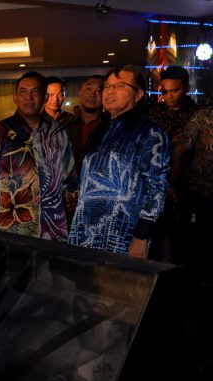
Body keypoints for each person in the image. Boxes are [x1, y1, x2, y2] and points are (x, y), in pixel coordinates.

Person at [68, 66, 171, 258]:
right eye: (107, 86)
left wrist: (142, 236)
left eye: (120, 85)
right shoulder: (100, 130)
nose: (110, 91)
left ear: (138, 94)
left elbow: (157, 188)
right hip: (85, 229)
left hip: (123, 234)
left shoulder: (150, 132)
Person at [0, 71, 77, 241]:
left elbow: (70, 179)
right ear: (15, 98)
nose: (28, 97)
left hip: (53, 229)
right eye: (23, 92)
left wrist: (72, 216)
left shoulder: (58, 132)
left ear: (45, 97)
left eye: (35, 92)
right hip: (11, 230)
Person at [145, 66, 198, 261]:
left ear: (186, 88)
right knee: (153, 239)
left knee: (182, 241)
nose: (169, 96)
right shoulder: (153, 113)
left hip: (186, 186)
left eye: (174, 91)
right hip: (154, 184)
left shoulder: (197, 114)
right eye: (165, 91)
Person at [172, 106, 213, 268]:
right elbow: (181, 148)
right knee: (195, 238)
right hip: (200, 191)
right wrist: (172, 178)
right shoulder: (203, 116)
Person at [68, 75, 108, 172]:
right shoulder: (64, 126)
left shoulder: (112, 127)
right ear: (80, 92)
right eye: (88, 89)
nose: (92, 94)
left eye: (98, 90)